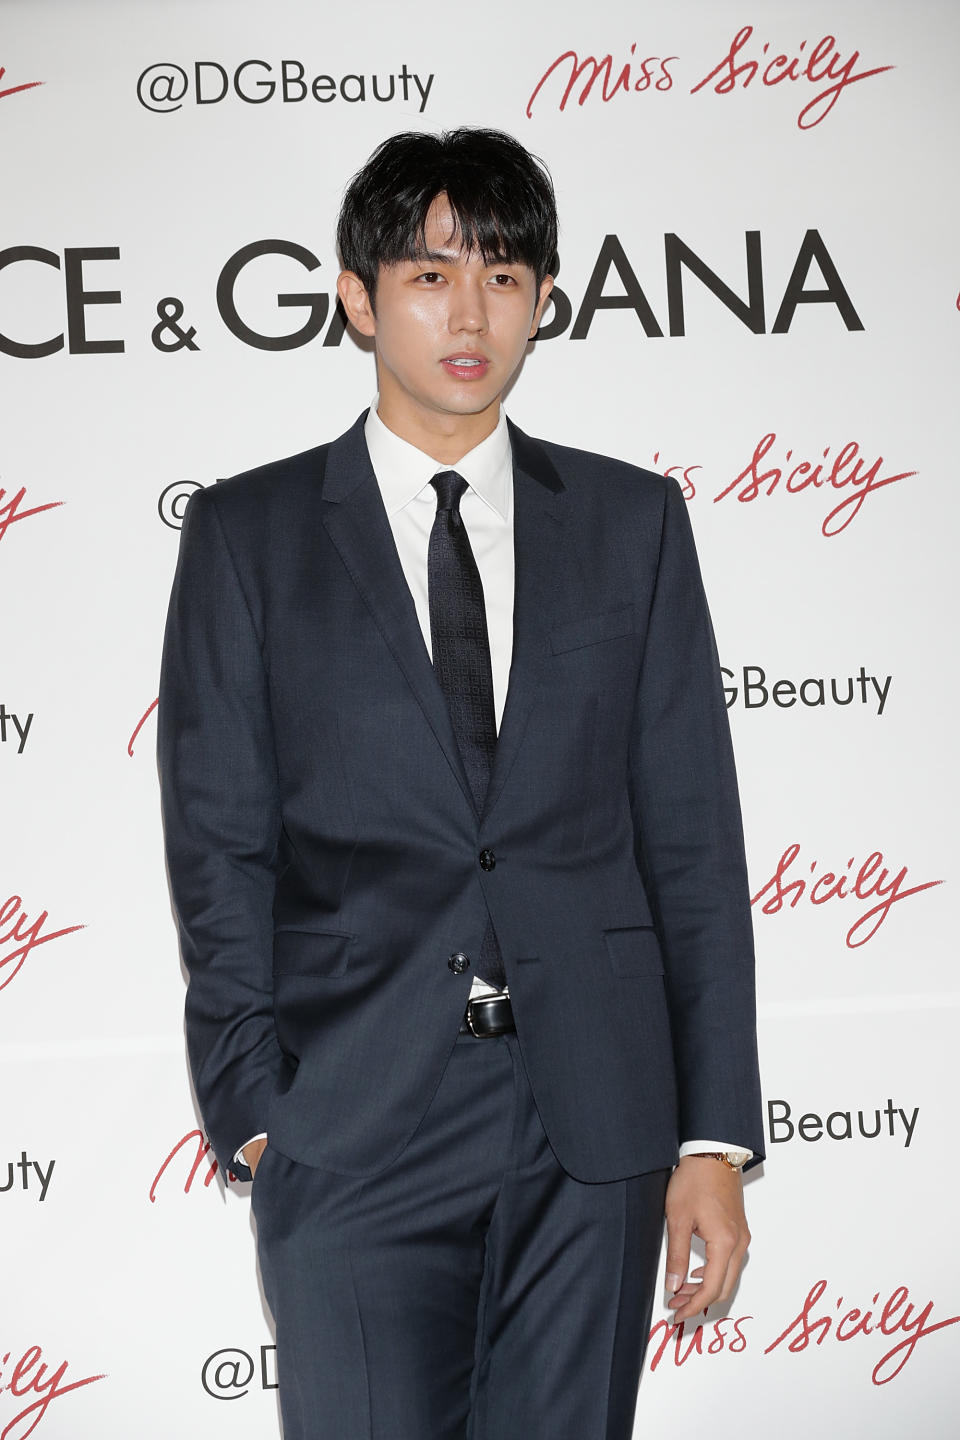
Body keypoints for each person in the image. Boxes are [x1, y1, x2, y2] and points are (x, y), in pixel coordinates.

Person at [158, 127, 764, 1440]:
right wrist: (261, 1109)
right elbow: (218, 842)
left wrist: (710, 1137)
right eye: (430, 276)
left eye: (502, 273)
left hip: (594, 1124)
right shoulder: (248, 536)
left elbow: (693, 841)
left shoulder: (633, 523)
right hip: (357, 1115)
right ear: (359, 297)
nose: (469, 310)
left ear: (547, 295)